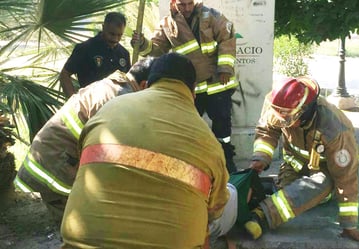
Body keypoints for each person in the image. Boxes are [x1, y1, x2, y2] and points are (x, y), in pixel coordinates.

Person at [60, 53, 229, 248]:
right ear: (193, 93)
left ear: (147, 84)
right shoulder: (207, 139)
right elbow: (216, 208)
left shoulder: (109, 110)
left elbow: (86, 165)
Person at [14, 57, 155, 225]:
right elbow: (112, 155)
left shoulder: (114, 85)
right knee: (83, 226)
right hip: (57, 166)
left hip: (52, 157)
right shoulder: (121, 99)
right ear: (145, 84)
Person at [246, 76, 359, 242]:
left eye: (288, 119)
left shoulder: (335, 129)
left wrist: (349, 225)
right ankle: (268, 188)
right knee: (289, 195)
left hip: (326, 171)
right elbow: (267, 130)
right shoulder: (281, 106)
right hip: (295, 165)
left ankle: (263, 216)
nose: (283, 122)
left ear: (305, 112)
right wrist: (260, 158)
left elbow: (346, 178)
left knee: (319, 185)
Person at [131, 0, 238, 173]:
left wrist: (225, 67)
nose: (187, 8)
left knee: (223, 129)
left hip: (217, 84)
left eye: (189, 3)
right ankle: (191, 161)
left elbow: (227, 40)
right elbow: (157, 50)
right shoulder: (167, 24)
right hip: (190, 87)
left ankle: (227, 160)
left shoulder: (212, 16)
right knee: (188, 126)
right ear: (174, 3)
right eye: (182, 5)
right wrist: (142, 43)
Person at [60, 12, 131, 98]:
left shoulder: (124, 54)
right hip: (90, 105)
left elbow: (128, 82)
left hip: (116, 106)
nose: (115, 39)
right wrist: (74, 101)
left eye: (119, 35)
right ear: (103, 27)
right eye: (112, 34)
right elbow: (65, 74)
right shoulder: (85, 48)